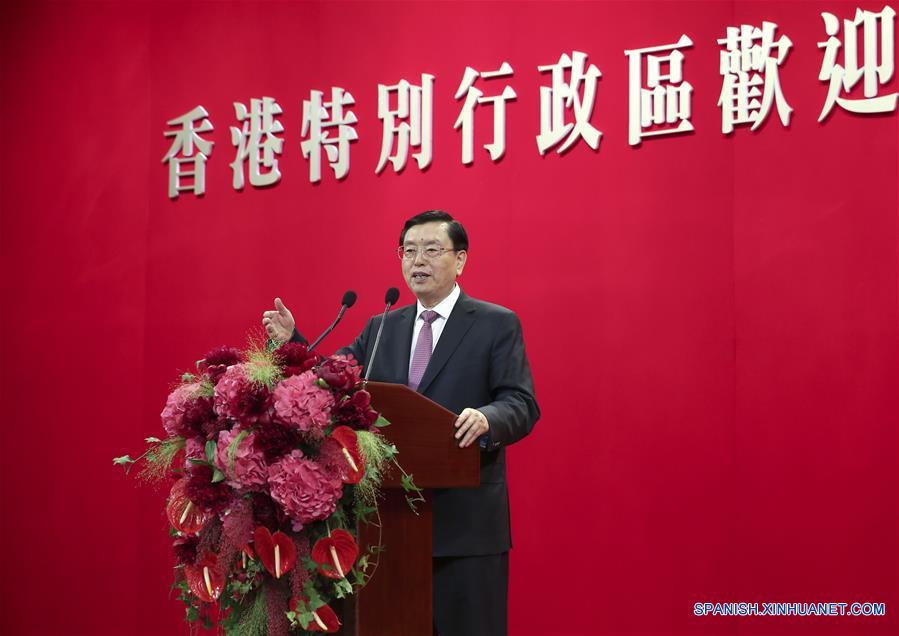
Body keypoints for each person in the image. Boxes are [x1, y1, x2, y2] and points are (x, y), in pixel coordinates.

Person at [262, 210, 539, 636]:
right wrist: (294, 344)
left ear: (460, 260)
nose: (418, 261)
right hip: (387, 526)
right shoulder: (382, 327)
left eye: (431, 250)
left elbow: (521, 403)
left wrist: (487, 418)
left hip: (465, 528)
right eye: (408, 251)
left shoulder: (495, 324)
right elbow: (332, 384)